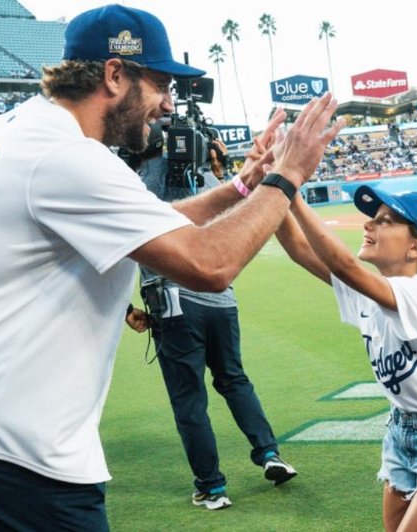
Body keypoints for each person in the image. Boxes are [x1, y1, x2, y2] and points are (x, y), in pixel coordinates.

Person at [0, 4, 344, 530]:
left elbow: (151, 223)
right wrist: (290, 173)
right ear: (115, 74)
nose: (167, 104)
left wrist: (243, 186)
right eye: (159, 84)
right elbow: (210, 263)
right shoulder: (66, 157)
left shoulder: (22, 130)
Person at [275, 186, 417, 531]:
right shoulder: (372, 292)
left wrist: (291, 190)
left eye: (385, 222)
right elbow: (299, 248)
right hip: (402, 427)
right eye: (372, 220)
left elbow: (343, 265)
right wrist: (270, 190)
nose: (369, 227)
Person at [127, 126, 296, 511]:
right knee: (234, 379)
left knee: (189, 399)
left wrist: (125, 310)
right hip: (221, 300)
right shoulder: (206, 176)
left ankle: (212, 487)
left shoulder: (133, 184)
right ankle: (270, 453)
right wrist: (219, 171)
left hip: (172, 301)